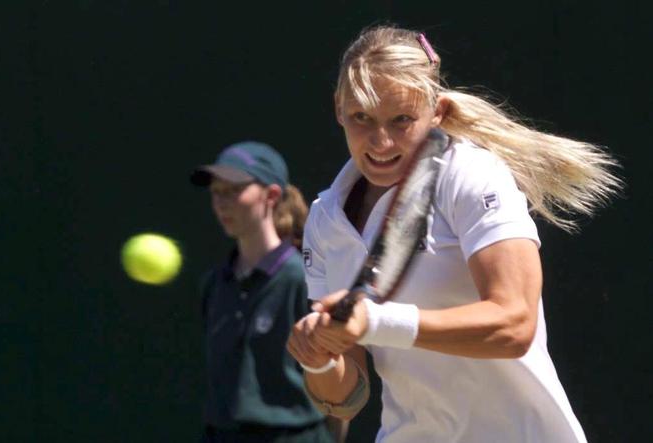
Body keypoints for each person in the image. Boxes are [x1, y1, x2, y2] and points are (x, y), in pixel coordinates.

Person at [286, 25, 621, 443]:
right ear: (339, 108)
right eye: (361, 118)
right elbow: (348, 396)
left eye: (402, 119)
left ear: (437, 112)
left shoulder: (472, 175)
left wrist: (375, 321)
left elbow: (514, 324)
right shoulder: (325, 218)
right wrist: (319, 357)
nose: (380, 141)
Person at [190, 141, 336, 443]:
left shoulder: (302, 279)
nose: (222, 202)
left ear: (271, 195)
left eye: (233, 190)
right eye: (216, 193)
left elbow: (337, 390)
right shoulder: (215, 283)